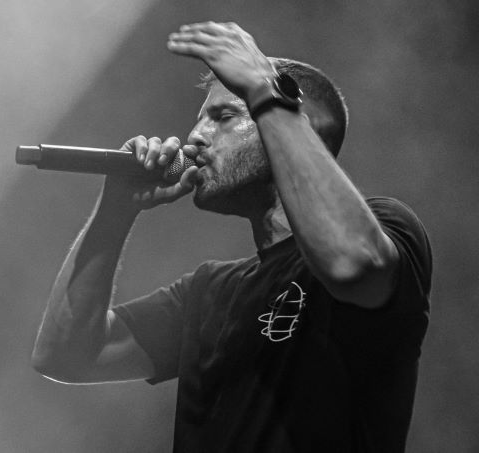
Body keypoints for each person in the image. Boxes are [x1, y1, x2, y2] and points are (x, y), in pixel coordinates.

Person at [30, 21, 432, 452]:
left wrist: (263, 89)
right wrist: (115, 212)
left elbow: (349, 264)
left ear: (302, 125)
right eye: (201, 121)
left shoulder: (387, 226)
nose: (195, 137)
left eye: (223, 117)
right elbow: (65, 355)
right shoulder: (209, 292)